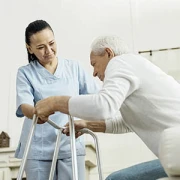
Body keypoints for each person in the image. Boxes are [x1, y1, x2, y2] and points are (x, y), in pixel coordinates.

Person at [34, 35, 180, 179]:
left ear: (109, 53)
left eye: (94, 64)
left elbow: (103, 106)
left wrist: (54, 102)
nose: (94, 72)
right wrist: (87, 125)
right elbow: (129, 123)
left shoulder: (120, 62)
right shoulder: (136, 66)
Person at [15, 19, 99, 180]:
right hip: (37, 147)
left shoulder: (74, 68)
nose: (48, 50)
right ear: (29, 48)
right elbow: (24, 105)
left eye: (51, 43)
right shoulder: (25, 73)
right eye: (40, 47)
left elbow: (96, 100)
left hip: (70, 143)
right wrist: (36, 113)